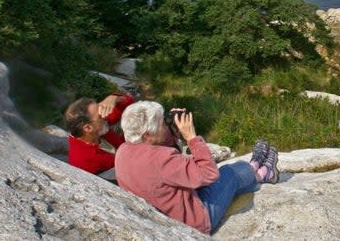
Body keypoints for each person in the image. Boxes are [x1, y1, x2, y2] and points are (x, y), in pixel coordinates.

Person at [115, 101, 279, 235]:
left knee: (229, 177)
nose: (165, 125)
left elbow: (165, 163)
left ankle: (257, 168)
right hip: (196, 220)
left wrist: (173, 131)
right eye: (163, 124)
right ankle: (262, 172)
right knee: (229, 173)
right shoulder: (160, 159)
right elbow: (209, 174)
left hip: (170, 211)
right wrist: (191, 137)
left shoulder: (123, 151)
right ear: (146, 135)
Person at [63, 93, 135, 179]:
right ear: (88, 128)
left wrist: (113, 98)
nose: (105, 115)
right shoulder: (83, 162)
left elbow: (128, 103)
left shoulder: (97, 129)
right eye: (100, 115)